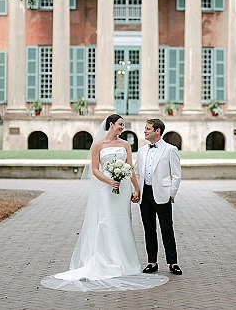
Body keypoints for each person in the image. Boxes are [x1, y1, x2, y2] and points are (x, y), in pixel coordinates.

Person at [41, 114, 168, 292]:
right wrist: (109, 182)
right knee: (106, 221)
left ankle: (125, 262)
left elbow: (130, 167)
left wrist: (136, 188)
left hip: (122, 189)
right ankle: (106, 261)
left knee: (123, 223)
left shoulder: (125, 145)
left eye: (123, 125)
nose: (122, 128)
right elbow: (94, 169)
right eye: (120, 125)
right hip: (106, 188)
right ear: (111, 124)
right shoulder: (98, 145)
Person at [134, 118, 183, 275]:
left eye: (148, 128)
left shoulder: (170, 150)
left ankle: (173, 263)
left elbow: (176, 175)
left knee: (167, 229)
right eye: (145, 128)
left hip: (162, 194)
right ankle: (152, 262)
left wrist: (171, 195)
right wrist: (136, 191)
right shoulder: (141, 151)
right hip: (145, 194)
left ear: (158, 131)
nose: (145, 131)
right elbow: (136, 173)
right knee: (149, 229)